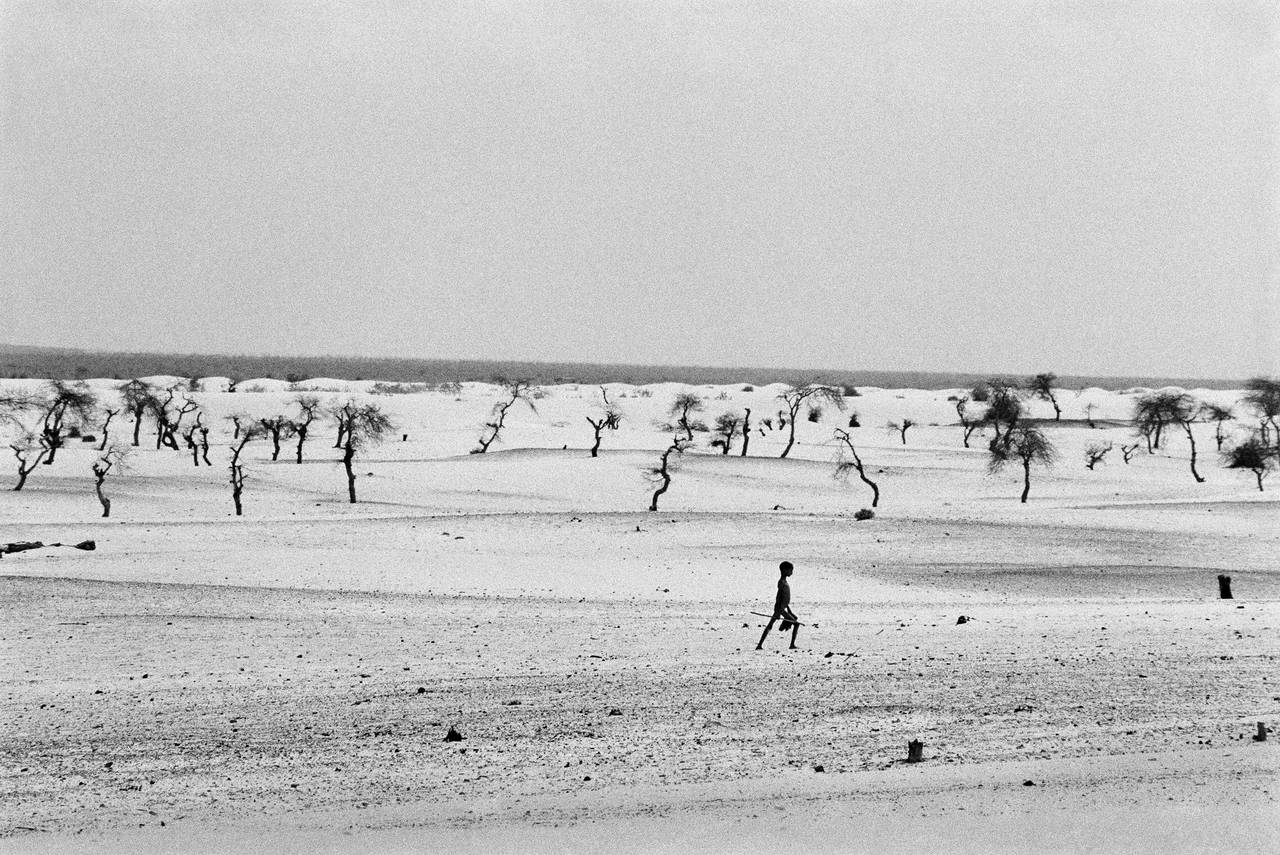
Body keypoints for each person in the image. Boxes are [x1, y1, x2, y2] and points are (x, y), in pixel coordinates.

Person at [756, 561, 799, 650]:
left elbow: (785, 600)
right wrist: (779, 612)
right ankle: (792, 645)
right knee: (796, 624)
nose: (791, 572)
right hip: (780, 609)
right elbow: (779, 598)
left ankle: (759, 645)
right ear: (784, 570)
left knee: (770, 625)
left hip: (782, 608)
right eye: (790, 570)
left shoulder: (784, 582)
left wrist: (789, 610)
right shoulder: (782, 583)